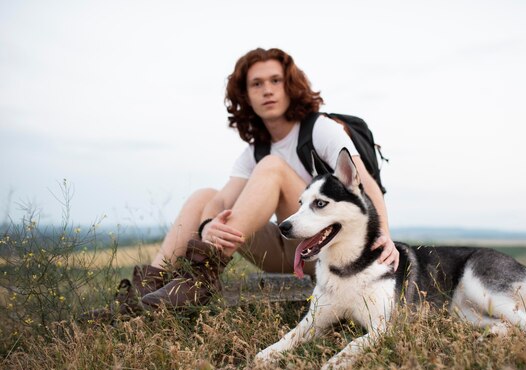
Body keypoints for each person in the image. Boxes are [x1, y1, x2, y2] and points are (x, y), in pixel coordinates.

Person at [89, 47, 399, 316]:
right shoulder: (255, 151)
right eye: (257, 84)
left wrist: (383, 235)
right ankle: (148, 289)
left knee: (273, 167)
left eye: (276, 81)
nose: (267, 90)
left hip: (331, 246)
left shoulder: (320, 129)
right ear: (246, 96)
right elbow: (220, 201)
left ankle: (200, 278)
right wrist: (207, 225)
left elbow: (367, 185)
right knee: (204, 195)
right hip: (289, 247)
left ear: (290, 86)